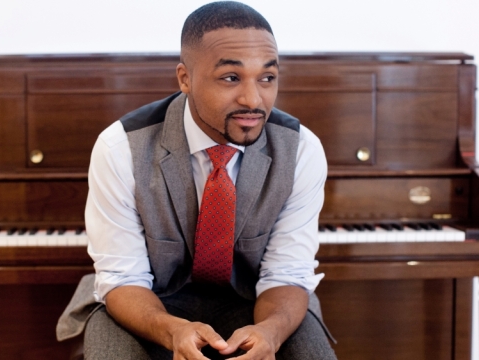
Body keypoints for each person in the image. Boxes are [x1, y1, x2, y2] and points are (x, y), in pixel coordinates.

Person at [56, 2, 336, 359]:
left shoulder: (301, 150)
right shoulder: (120, 147)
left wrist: (270, 332)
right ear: (184, 78)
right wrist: (173, 330)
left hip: (256, 301)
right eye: (231, 77)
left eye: (267, 78)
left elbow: (287, 273)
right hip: (148, 301)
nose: (253, 99)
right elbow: (123, 277)